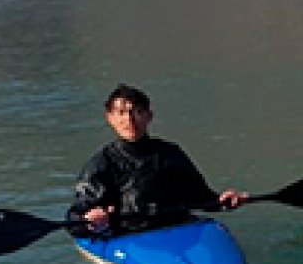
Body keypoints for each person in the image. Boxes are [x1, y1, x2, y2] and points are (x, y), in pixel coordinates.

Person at [68, 85, 244, 234]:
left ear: (149, 116)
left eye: (136, 112)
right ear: (110, 118)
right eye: (121, 113)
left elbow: (201, 197)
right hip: (128, 234)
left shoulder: (171, 154)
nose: (129, 120)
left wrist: (223, 201)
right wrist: (88, 218)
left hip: (176, 228)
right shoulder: (101, 164)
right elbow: (75, 216)